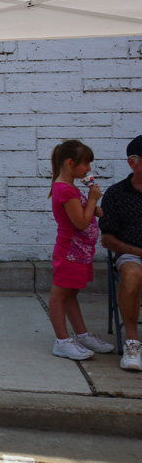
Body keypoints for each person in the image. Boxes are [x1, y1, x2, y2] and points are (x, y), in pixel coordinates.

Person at [45, 140, 114, 360]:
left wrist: (93, 207)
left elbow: (81, 214)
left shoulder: (70, 187)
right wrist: (93, 199)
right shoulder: (65, 190)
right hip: (69, 251)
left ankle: (81, 334)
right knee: (59, 294)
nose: (89, 169)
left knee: (71, 292)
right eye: (86, 164)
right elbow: (80, 223)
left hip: (80, 251)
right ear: (69, 163)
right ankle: (62, 342)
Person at [100, 134, 142, 371]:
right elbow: (106, 239)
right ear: (132, 162)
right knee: (132, 275)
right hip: (132, 255)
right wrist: (137, 251)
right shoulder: (116, 194)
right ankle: (132, 343)